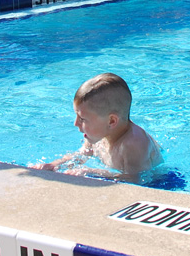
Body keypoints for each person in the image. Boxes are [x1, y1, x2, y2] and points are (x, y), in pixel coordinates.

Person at [34, 73, 162, 179]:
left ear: (111, 121)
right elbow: (81, 156)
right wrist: (53, 165)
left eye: (82, 119)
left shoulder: (133, 144)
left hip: (162, 182)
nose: (75, 123)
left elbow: (136, 180)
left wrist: (93, 173)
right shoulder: (96, 134)